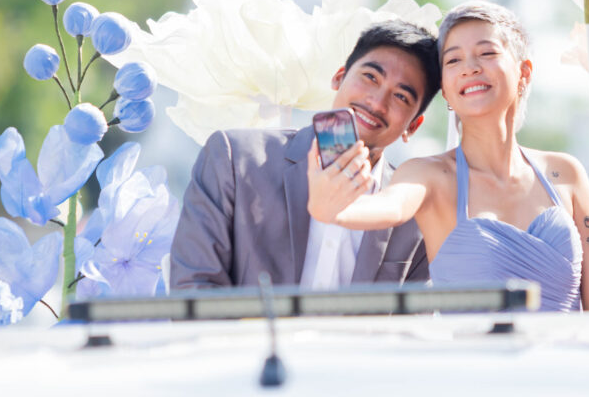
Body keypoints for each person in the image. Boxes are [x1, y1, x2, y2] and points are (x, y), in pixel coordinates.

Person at [308, 1, 589, 312]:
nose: (470, 67)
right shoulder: (428, 176)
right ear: (445, 90)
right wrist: (334, 209)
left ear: (523, 72)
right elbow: (388, 205)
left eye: (486, 53)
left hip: (568, 355)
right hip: (478, 359)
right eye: (453, 59)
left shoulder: (565, 173)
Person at [171, 20, 442, 289]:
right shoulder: (235, 160)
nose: (377, 102)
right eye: (370, 77)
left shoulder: (414, 216)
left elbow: (414, 324)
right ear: (339, 76)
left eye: (401, 97)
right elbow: (194, 289)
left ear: (414, 126)